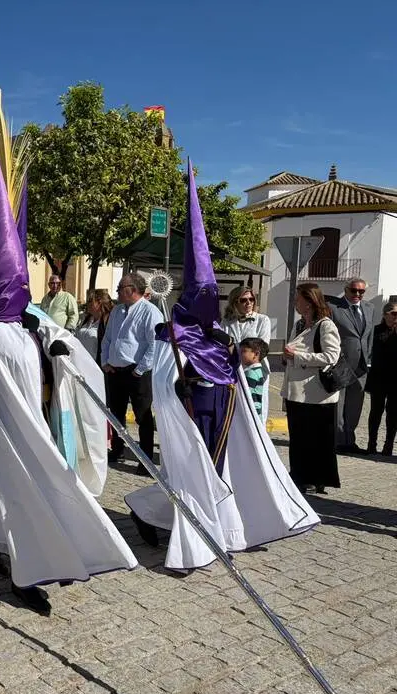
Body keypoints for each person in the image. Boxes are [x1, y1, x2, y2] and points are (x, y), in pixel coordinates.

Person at [0, 135, 136, 613]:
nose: (22, 288)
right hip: (9, 432)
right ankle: (26, 568)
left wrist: (57, 346)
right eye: (14, 283)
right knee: (25, 495)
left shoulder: (22, 324)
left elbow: (62, 355)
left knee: (41, 495)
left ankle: (11, 546)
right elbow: (3, 385)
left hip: (35, 423)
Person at [125, 161, 318, 570]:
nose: (209, 302)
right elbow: (164, 380)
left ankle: (156, 512)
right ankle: (185, 530)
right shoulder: (172, 334)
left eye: (214, 294)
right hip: (192, 420)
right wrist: (182, 387)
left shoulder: (218, 335)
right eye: (203, 294)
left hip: (223, 420)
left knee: (211, 478)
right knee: (191, 477)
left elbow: (240, 376)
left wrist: (225, 351)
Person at [282, 283, 342, 494]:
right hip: (296, 392)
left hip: (317, 394)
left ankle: (317, 478)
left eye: (298, 299)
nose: (295, 303)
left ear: (309, 301)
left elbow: (331, 356)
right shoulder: (299, 325)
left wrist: (298, 357)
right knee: (298, 438)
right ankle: (299, 475)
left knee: (318, 440)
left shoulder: (326, 326)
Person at [100, 272, 162, 470]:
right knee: (116, 414)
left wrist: (140, 369)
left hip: (137, 372)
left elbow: (154, 344)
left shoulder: (150, 312)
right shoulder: (117, 311)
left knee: (142, 416)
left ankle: (145, 459)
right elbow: (108, 338)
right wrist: (105, 361)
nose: (117, 291)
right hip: (115, 371)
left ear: (132, 290)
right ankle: (117, 449)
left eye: (120, 288)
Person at [329, 278, 374, 454]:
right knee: (339, 405)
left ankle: (350, 440)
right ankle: (338, 441)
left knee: (355, 405)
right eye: (353, 290)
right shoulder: (334, 307)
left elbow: (367, 336)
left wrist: (369, 358)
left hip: (361, 365)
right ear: (345, 289)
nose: (357, 294)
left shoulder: (369, 308)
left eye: (361, 291)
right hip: (341, 363)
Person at [221, 286, 272, 418]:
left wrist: (233, 346)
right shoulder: (227, 322)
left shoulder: (262, 320)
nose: (249, 303)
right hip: (233, 372)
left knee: (255, 410)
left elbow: (261, 347)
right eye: (243, 300)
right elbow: (221, 346)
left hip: (255, 372)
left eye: (251, 299)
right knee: (235, 412)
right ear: (235, 302)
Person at [366, 302, 397, 455]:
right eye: (394, 313)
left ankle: (388, 446)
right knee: (375, 412)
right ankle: (371, 443)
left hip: (395, 380)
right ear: (385, 314)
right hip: (378, 377)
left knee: (393, 414)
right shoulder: (376, 331)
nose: (396, 317)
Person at [75, 289, 113, 365]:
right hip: (81, 363)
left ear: (100, 303)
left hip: (96, 365)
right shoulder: (86, 319)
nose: (87, 304)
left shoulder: (108, 322)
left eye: (90, 301)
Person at [240, 337, 268, 421]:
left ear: (256, 354)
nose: (241, 354)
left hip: (251, 414)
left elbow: (246, 392)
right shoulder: (257, 370)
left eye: (244, 351)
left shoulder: (251, 373)